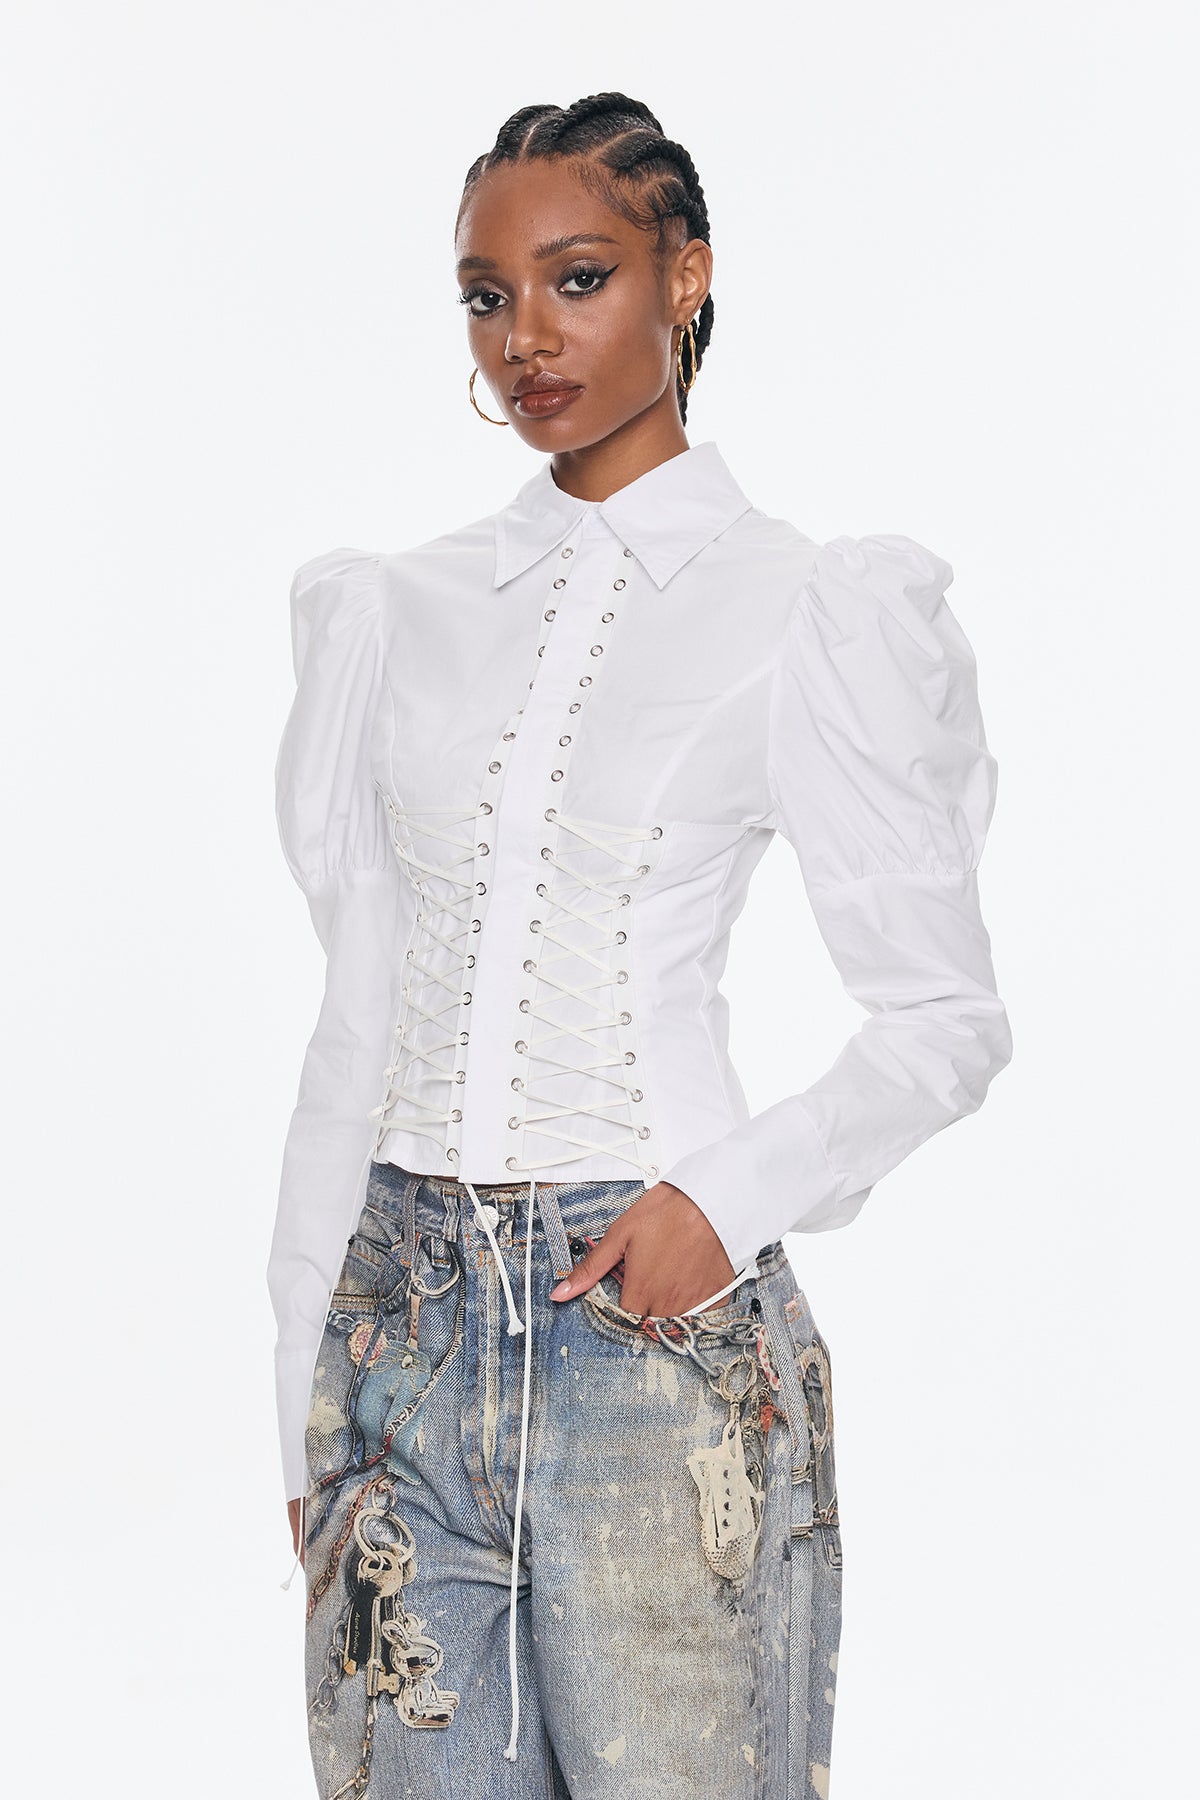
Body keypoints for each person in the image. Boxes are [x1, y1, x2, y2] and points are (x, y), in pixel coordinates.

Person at [267, 90, 1013, 1800]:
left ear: (687, 275)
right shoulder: (393, 610)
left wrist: (720, 1203)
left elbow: (942, 1019)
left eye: (579, 277)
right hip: (394, 1335)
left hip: (647, 1339)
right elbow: (353, 1020)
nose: (526, 336)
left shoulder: (808, 606)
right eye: (487, 295)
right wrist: (300, 1367)